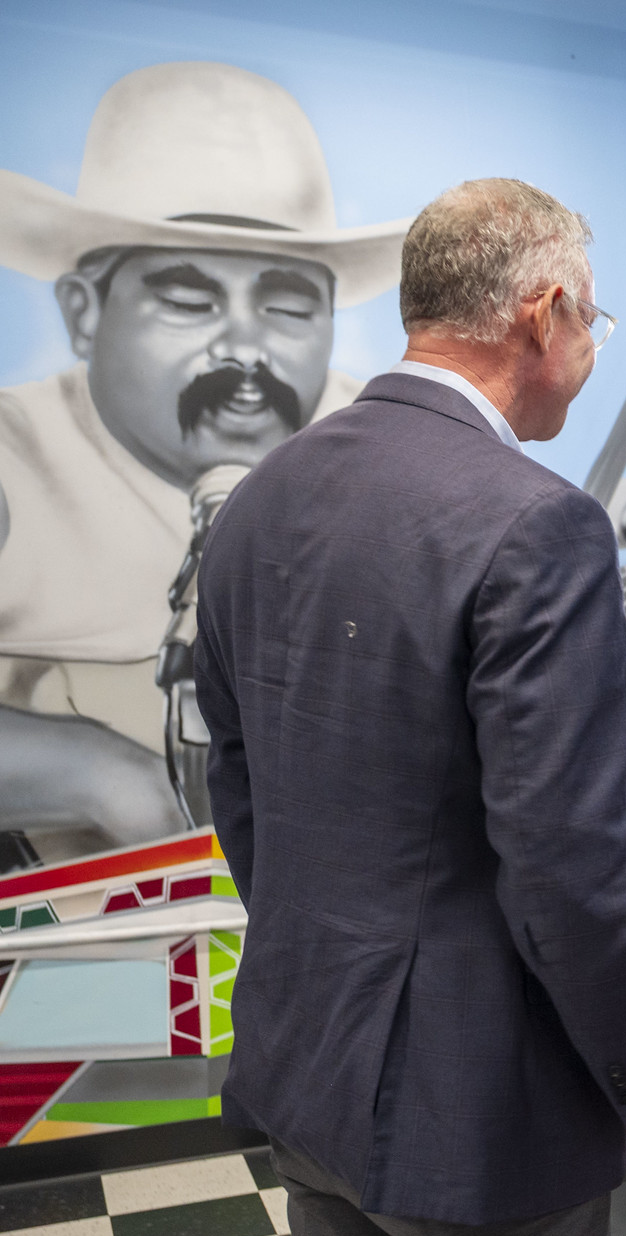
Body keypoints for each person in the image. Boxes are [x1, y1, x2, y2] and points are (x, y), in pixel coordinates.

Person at [194, 180, 626, 1236]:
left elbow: (241, 789)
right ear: (543, 314)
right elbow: (566, 863)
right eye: (592, 324)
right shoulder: (539, 523)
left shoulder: (262, 499)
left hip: (307, 1058)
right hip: (481, 1120)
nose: (589, 353)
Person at [0, 62, 411, 859]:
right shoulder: (14, 461)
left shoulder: (383, 450)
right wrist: (100, 773)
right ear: (85, 314)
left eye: (288, 303)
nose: (245, 346)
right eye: (189, 300)